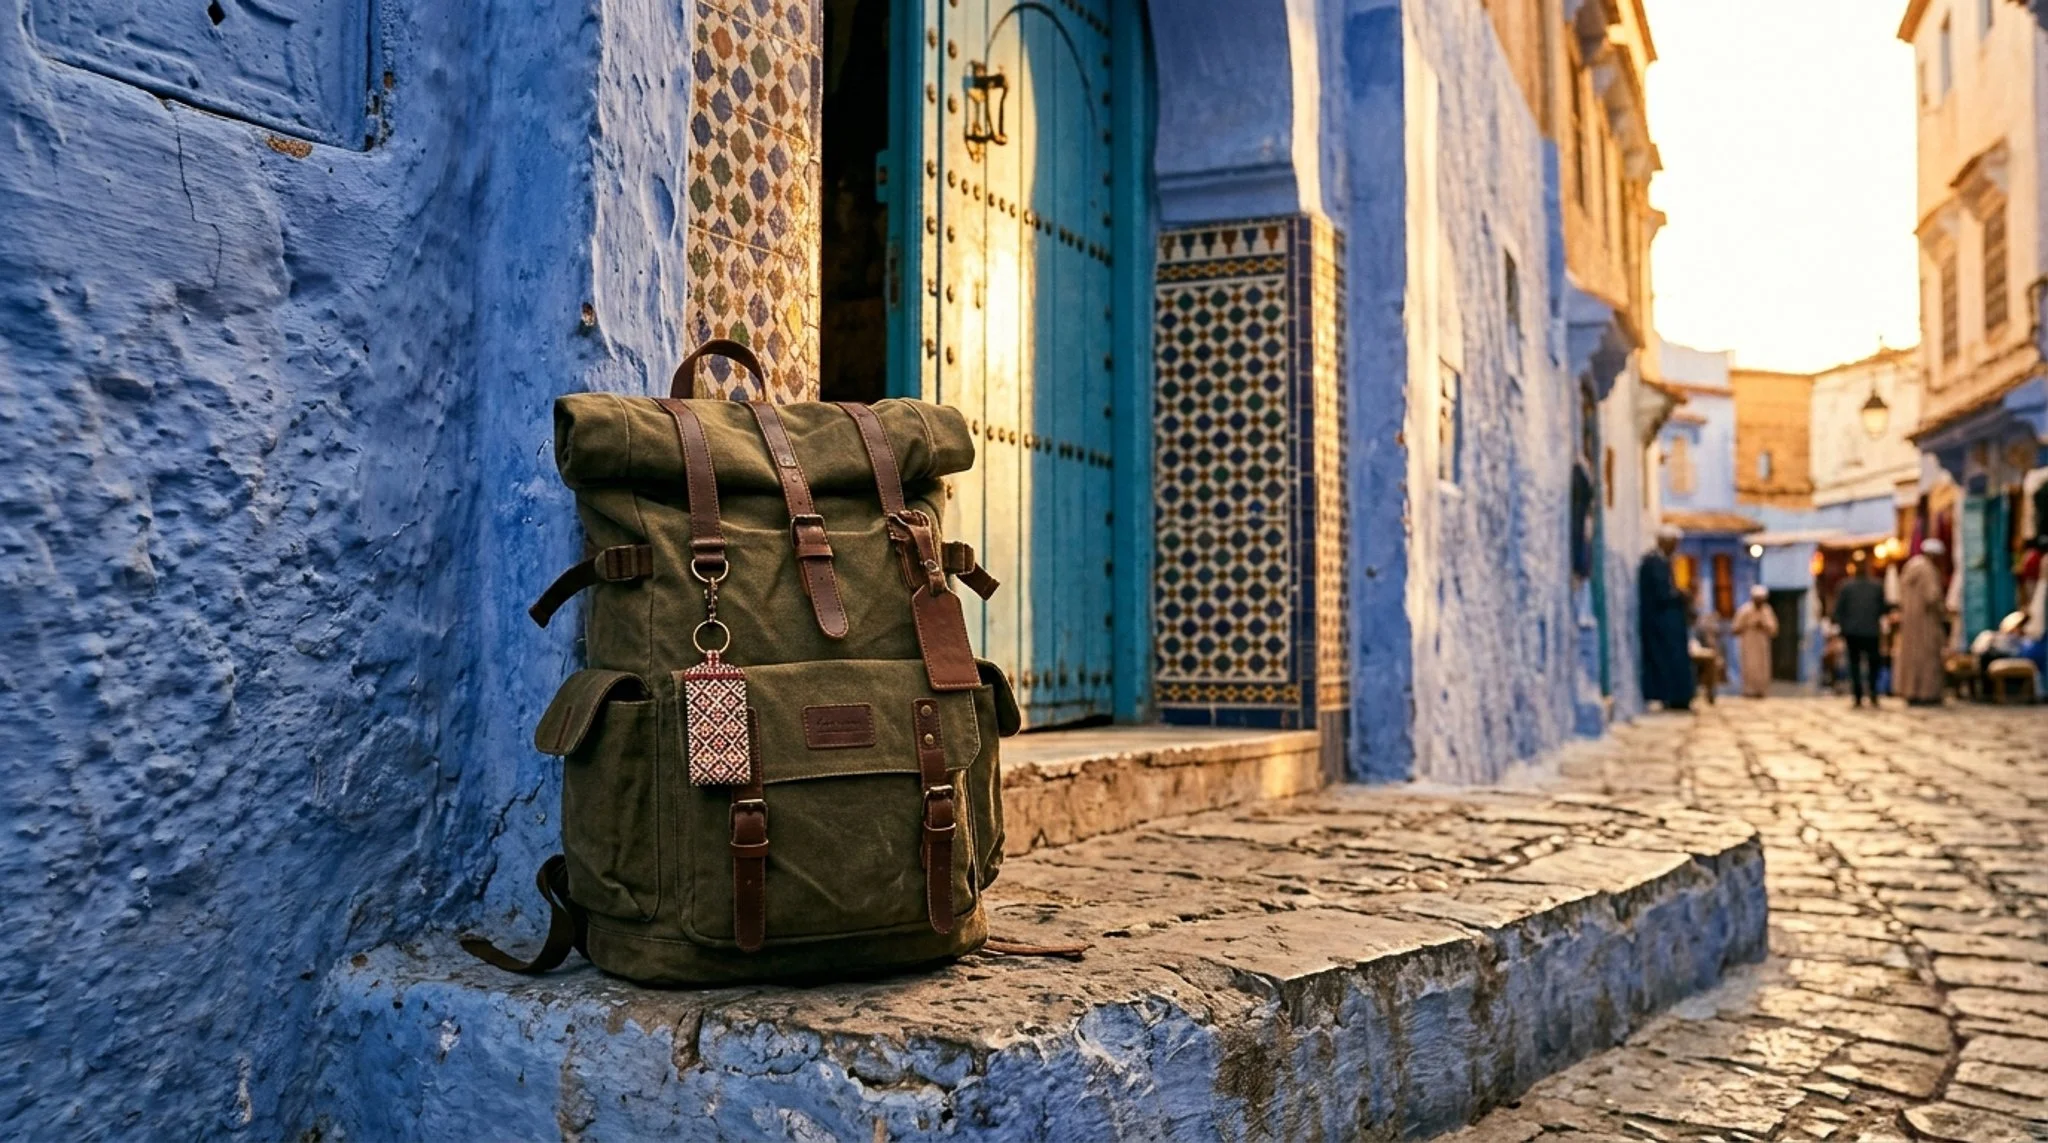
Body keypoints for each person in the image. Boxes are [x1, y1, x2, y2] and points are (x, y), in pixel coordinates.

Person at [1639, 526, 1697, 710]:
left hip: (1669, 621)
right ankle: (1671, 696)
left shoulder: (1664, 562)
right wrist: (1681, 596)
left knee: (1674, 659)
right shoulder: (1654, 563)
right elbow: (1661, 594)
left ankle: (1678, 697)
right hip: (1661, 622)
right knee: (1667, 660)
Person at [1895, 539, 1949, 705]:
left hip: (1909, 621)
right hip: (1926, 621)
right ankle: (1926, 693)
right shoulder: (1928, 570)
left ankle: (1911, 691)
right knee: (1927, 657)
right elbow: (1932, 597)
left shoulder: (1910, 566)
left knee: (1911, 657)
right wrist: (1942, 611)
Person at [1833, 560, 1889, 707]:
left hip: (1853, 632)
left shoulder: (1846, 586)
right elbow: (1883, 608)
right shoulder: (1876, 586)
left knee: (1854, 664)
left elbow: (1838, 611)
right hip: (1871, 631)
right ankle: (1873, 692)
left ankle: (1858, 695)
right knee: (1872, 663)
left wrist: (1843, 628)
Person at [1730, 585, 1779, 698]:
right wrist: (1749, 625)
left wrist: (1763, 625)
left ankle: (1761, 691)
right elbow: (1735, 628)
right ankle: (1749, 690)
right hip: (1748, 644)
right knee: (1749, 667)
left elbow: (1774, 629)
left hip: (1762, 644)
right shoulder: (1744, 610)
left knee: (1762, 667)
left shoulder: (1767, 611)